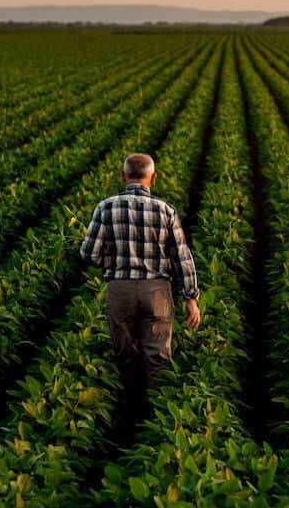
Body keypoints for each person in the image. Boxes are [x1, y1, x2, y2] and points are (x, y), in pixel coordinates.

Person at [79, 153, 201, 403]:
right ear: (152, 178)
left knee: (125, 354)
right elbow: (182, 257)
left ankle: (128, 411)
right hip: (156, 291)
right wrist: (191, 297)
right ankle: (156, 415)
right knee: (157, 358)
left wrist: (111, 263)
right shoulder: (165, 210)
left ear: (123, 176)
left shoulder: (106, 207)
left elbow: (89, 253)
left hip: (120, 288)